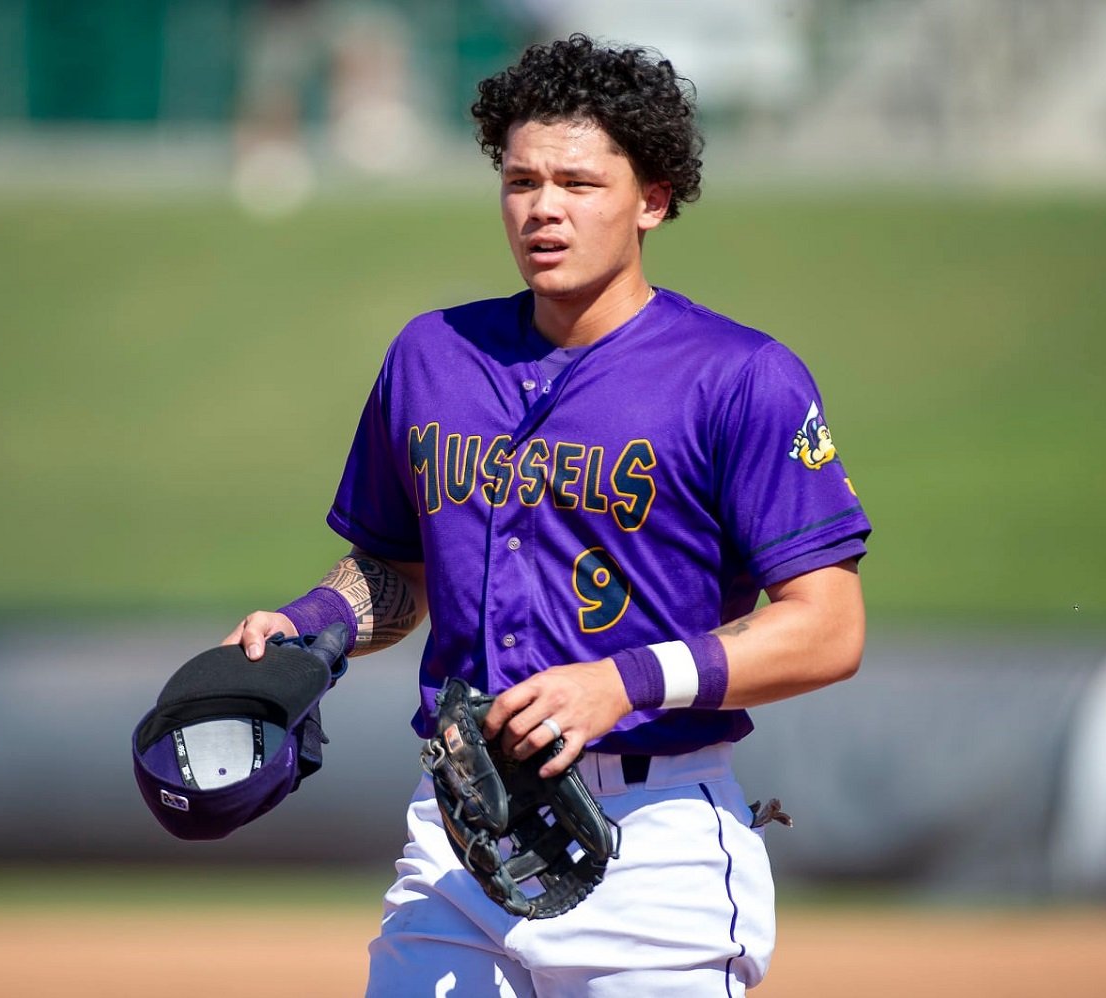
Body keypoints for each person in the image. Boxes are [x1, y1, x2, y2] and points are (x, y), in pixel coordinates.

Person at [223, 32, 870, 996]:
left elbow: (828, 627)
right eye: (522, 181)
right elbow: (396, 571)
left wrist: (621, 684)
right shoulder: (432, 355)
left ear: (652, 200)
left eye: (579, 183)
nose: (544, 210)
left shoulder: (741, 377)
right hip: (457, 835)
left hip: (657, 848)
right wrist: (309, 629)